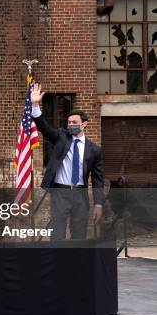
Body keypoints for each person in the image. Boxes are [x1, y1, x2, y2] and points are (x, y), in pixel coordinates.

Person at [30, 83, 104, 240]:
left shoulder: (94, 150)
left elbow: (98, 180)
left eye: (74, 122)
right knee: (57, 233)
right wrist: (35, 105)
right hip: (60, 193)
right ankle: (58, 263)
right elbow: (45, 128)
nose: (70, 125)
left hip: (80, 195)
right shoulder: (61, 138)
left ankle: (76, 264)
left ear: (84, 124)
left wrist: (99, 204)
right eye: (69, 122)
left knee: (79, 234)